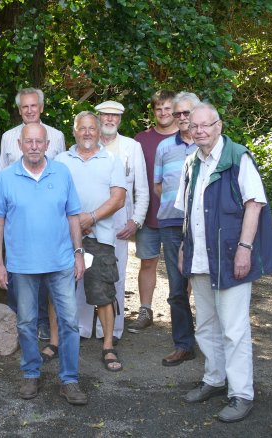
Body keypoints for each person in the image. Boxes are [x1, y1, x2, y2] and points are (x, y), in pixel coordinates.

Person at [176, 103, 272, 423]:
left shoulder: (238, 157)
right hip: (199, 255)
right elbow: (188, 209)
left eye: (206, 125)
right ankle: (213, 379)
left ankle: (241, 393)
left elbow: (254, 204)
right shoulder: (191, 161)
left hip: (229, 253)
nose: (200, 131)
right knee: (206, 324)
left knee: (234, 329)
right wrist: (183, 245)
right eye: (195, 126)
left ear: (219, 126)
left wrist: (245, 248)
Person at [0, 122, 88, 406]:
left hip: (61, 262)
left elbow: (73, 216)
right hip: (21, 265)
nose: (34, 146)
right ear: (19, 145)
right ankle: (31, 372)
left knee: (69, 322)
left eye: (39, 142)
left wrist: (78, 252)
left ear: (47, 145)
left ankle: (69, 380)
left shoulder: (62, 172)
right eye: (28, 141)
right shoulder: (6, 177)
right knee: (26, 322)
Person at [54, 112, 126, 371]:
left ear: (98, 132)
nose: (86, 133)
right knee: (58, 291)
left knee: (103, 293)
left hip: (99, 238)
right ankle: (54, 341)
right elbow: (52, 196)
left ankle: (108, 345)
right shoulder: (60, 161)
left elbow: (118, 198)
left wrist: (91, 218)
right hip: (64, 237)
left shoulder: (111, 160)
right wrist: (73, 222)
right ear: (74, 131)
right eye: (81, 128)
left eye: (91, 129)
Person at [0, 88, 66, 341]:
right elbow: (1, 175)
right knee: (18, 271)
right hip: (17, 219)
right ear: (19, 110)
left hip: (48, 220)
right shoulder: (8, 137)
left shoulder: (56, 136)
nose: (29, 110)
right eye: (24, 107)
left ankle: (41, 322)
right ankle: (17, 321)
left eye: (33, 106)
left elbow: (63, 174)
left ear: (41, 107)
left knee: (46, 273)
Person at [94, 100, 148, 344]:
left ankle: (113, 329)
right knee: (86, 271)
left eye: (114, 117)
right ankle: (86, 327)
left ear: (120, 120)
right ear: (97, 118)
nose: (109, 120)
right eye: (105, 116)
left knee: (116, 275)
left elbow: (143, 189)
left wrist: (135, 221)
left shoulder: (131, 147)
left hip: (119, 223)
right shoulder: (87, 144)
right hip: (90, 221)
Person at [152, 92, 200, 366]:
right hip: (171, 224)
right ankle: (184, 345)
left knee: (207, 284)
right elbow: (158, 185)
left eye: (187, 113)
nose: (182, 118)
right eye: (178, 113)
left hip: (202, 225)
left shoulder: (208, 144)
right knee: (177, 288)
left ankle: (211, 342)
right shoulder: (164, 147)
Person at [128, 90, 178, 334]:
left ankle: (181, 313)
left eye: (168, 108)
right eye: (159, 108)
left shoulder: (187, 137)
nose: (164, 112)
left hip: (178, 216)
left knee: (180, 266)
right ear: (153, 111)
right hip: (149, 214)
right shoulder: (141, 139)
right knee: (147, 262)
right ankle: (145, 310)